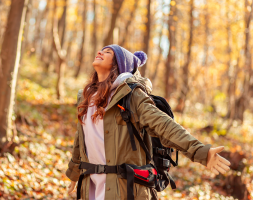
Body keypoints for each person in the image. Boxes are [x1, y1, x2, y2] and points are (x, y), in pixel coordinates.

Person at [65, 44, 231, 200]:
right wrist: (74, 174)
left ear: (118, 65)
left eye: (108, 52)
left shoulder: (132, 95)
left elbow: (164, 126)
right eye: (101, 50)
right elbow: (81, 139)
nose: (100, 52)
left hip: (125, 190)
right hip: (90, 188)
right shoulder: (86, 98)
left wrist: (201, 151)